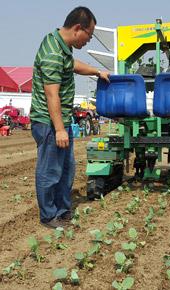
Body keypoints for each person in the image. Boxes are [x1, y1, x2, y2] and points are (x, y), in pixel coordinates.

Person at [30, 6, 110, 229]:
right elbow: (51, 94)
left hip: (60, 120)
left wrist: (96, 71)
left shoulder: (61, 47)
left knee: (66, 169)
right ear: (78, 28)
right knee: (50, 171)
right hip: (48, 122)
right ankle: (49, 216)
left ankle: (63, 212)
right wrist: (59, 129)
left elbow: (73, 65)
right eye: (89, 35)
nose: (89, 40)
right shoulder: (53, 53)